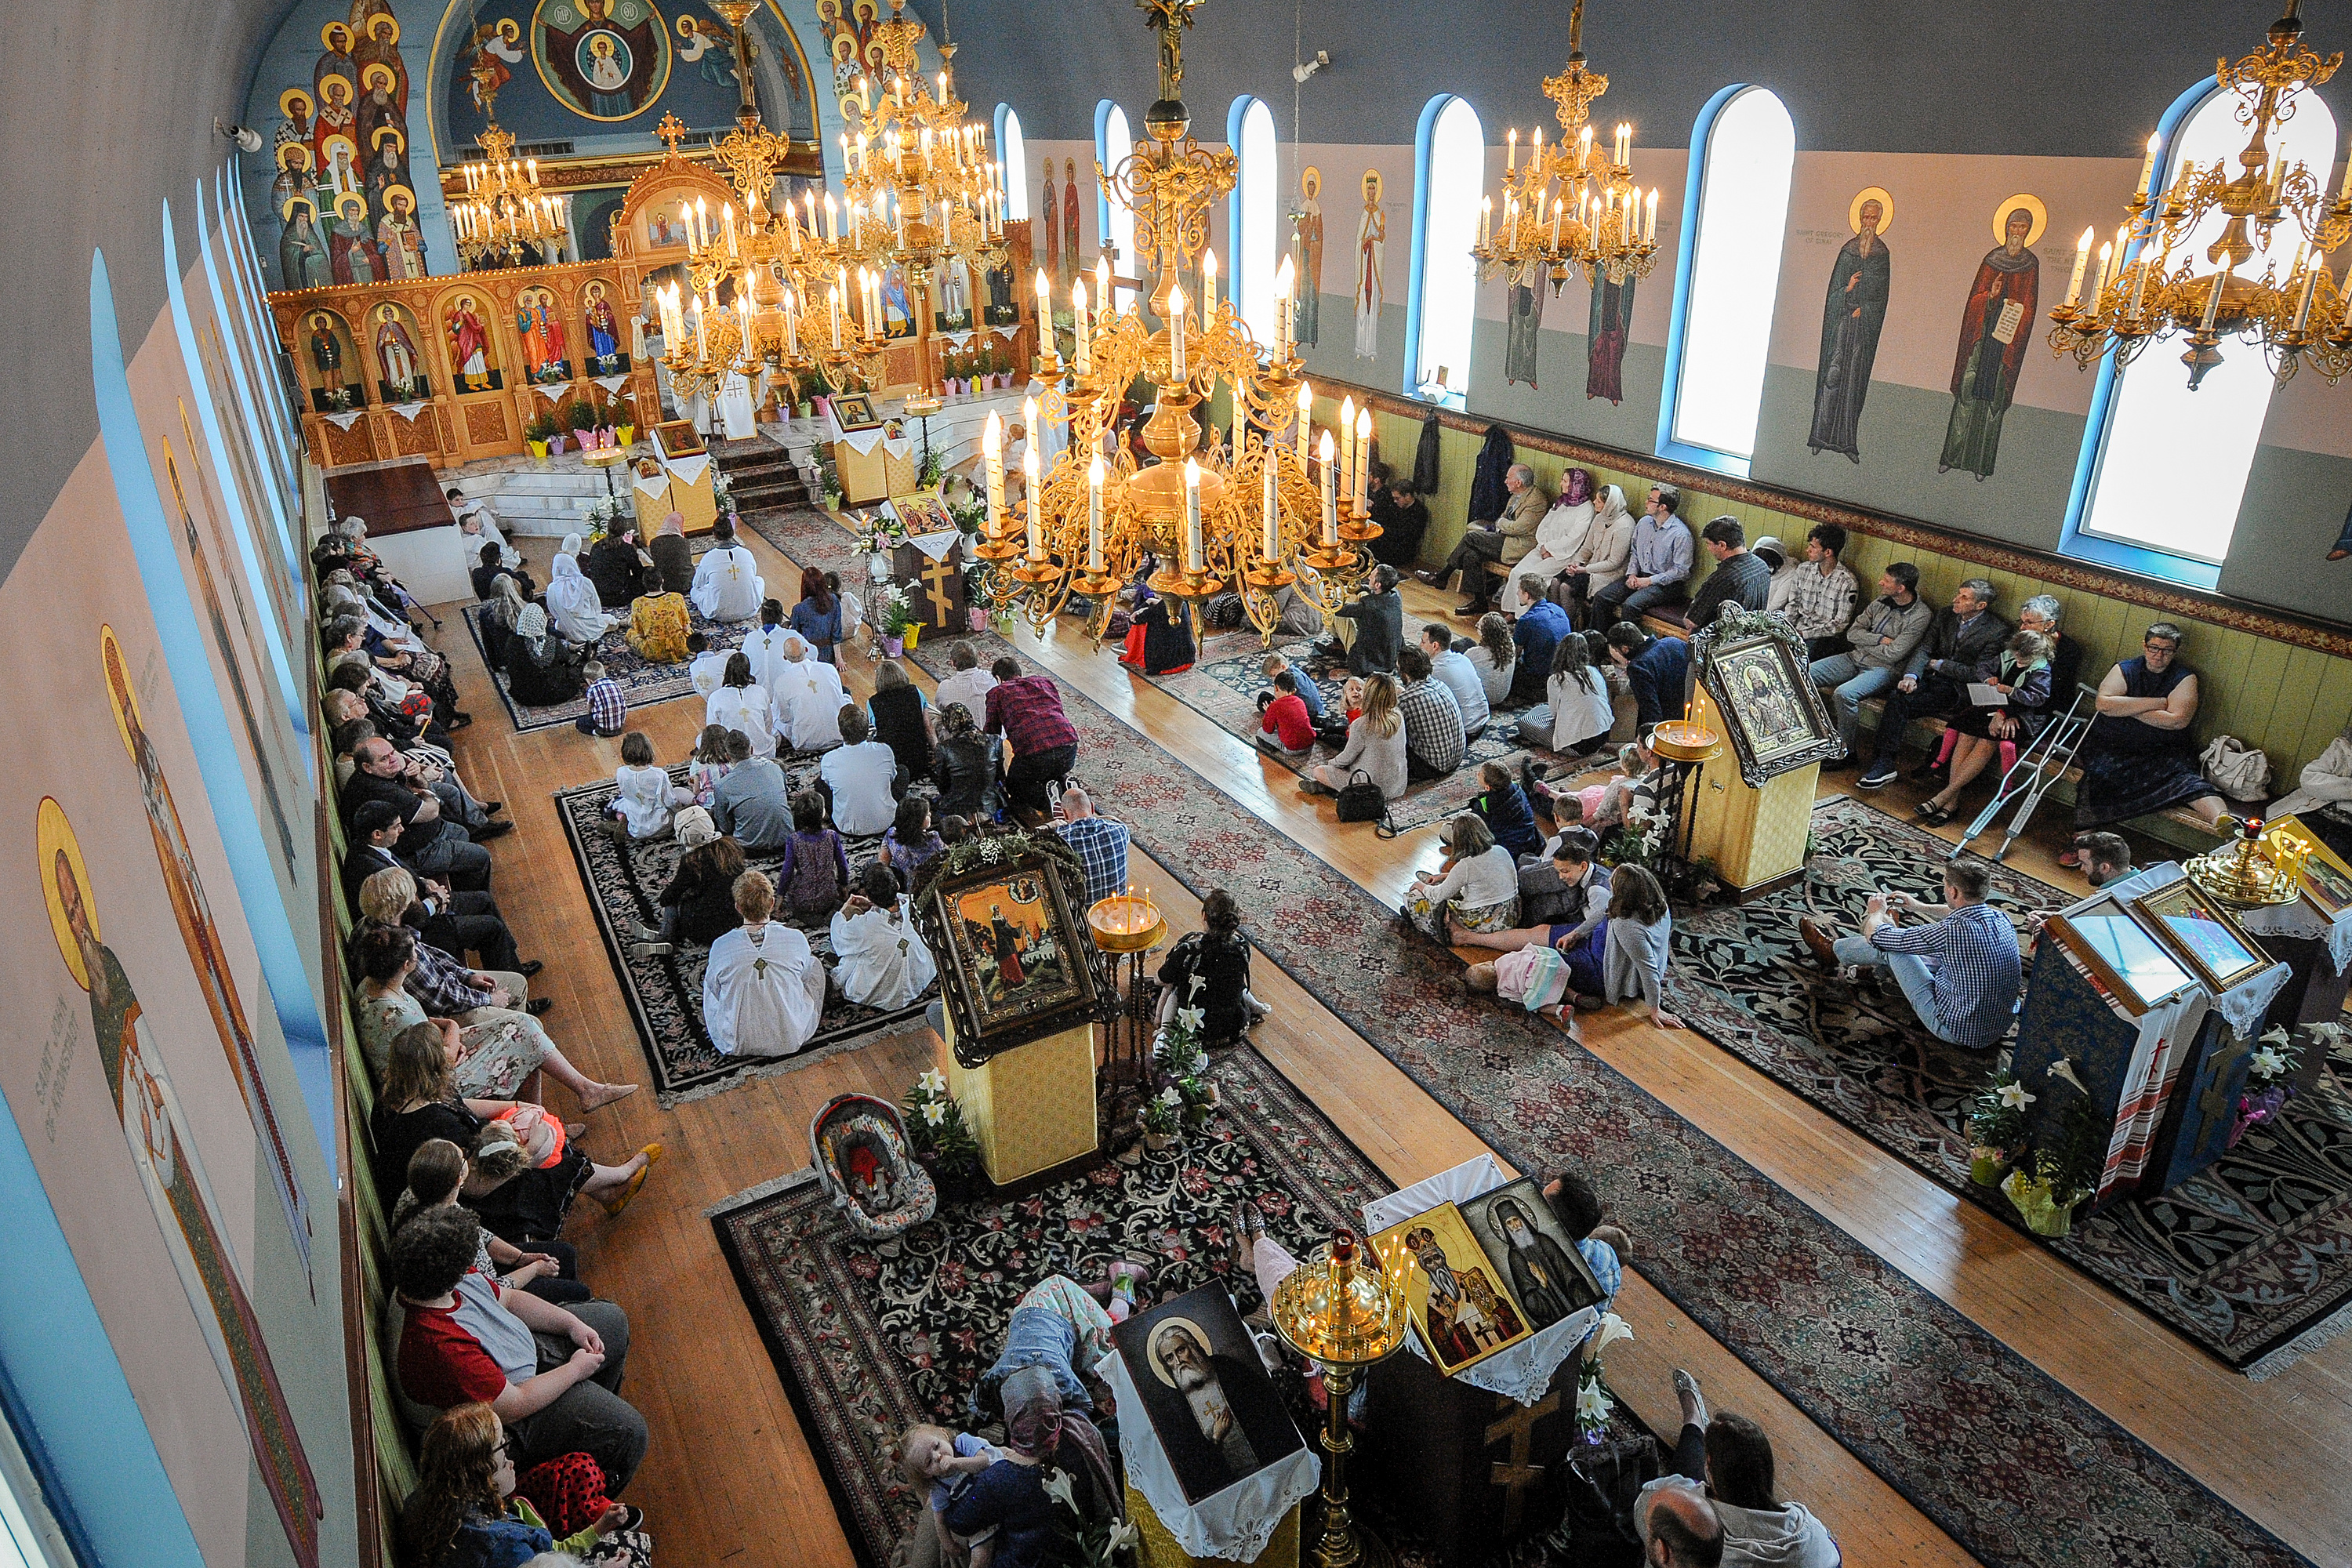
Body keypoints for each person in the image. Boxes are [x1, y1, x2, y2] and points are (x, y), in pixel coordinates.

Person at [384, 1207, 648, 1489]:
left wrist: (571, 1324)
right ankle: (590, 1494)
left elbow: (507, 1298)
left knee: (613, 1322)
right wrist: (575, 1371)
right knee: (631, 1432)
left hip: (511, 1361)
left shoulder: (433, 1280)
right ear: (452, 1274)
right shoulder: (439, 1347)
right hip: (507, 1419)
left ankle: (590, 1422)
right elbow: (516, 1403)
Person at [369, 1024, 657, 1245]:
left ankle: (608, 1191)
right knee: (547, 1157)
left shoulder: (397, 1091)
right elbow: (474, 1186)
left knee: (533, 1130)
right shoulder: (435, 1125)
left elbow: (460, 1105)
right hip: (462, 1198)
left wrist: (518, 1106)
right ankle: (618, 1178)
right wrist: (528, 1153)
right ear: (434, 1065)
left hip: (461, 1170)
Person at [1799, 858, 2021, 1049]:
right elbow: (1958, 913)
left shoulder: (1952, 932)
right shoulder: (2000, 919)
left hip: (1955, 1030)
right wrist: (1919, 907)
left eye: (1945, 885)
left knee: (1895, 949)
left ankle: (1830, 952)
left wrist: (1877, 913)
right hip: (1996, 1026)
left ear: (1954, 891)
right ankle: (1878, 972)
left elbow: (1877, 937)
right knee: (1936, 951)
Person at [396, 1403, 646, 1568]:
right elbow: (546, 1554)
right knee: (636, 1553)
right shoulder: (507, 1548)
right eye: (502, 1452)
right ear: (480, 1476)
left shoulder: (425, 1501)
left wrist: (601, 1526)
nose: (511, 1462)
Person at [1638, 1381, 1839, 1568]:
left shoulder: (1695, 1523)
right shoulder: (1808, 1528)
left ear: (1709, 1464)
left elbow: (1646, 1505)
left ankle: (1694, 1423)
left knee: (1683, 1479)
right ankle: (1693, 1423)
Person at [2069, 622, 2228, 838]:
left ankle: (2223, 821)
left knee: (2187, 781)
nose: (2159, 655)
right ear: (2144, 646)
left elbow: (2177, 721)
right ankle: (2083, 840)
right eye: (2154, 648)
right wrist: (2157, 703)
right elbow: (2104, 704)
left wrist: (2126, 706)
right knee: (2097, 776)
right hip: (2113, 746)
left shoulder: (2185, 677)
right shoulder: (2125, 669)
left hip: (2162, 751)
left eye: (2167, 650)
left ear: (2175, 651)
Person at [390, 1140, 587, 1307]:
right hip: (484, 1297)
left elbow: (482, 1235)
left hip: (482, 1276)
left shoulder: (418, 1193)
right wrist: (535, 1269)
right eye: (464, 1156)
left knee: (565, 1253)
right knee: (578, 1292)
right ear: (459, 1179)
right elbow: (492, 1292)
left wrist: (520, 1258)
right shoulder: (454, 1235)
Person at [1853, 578, 2009, 790]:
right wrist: (1911, 677)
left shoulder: (1996, 631)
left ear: (1981, 605)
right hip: (1929, 677)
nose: (1956, 599)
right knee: (1899, 696)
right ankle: (1884, 762)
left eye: (1964, 597)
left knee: (1901, 703)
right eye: (1958, 593)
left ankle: (1884, 762)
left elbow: (1977, 673)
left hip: (1956, 688)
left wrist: (1940, 665)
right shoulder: (1946, 615)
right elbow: (1925, 649)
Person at [1911, 628, 2053, 826]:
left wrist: (2011, 692)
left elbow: (2037, 699)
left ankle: (1944, 796)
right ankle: (1950, 802)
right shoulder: (2007, 656)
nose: (2018, 661)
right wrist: (1988, 679)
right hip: (1994, 705)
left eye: (2023, 659)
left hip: (2021, 715)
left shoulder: (2041, 670)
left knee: (1987, 740)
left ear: (2036, 655)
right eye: (2016, 656)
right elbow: (1982, 668)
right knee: (1966, 734)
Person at [1810, 563, 1930, 764]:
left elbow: (1894, 654)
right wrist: (1880, 639)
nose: (1880, 582)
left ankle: (1845, 751)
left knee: (1844, 694)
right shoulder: (1880, 602)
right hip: (1854, 657)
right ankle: (1809, 737)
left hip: (1883, 669)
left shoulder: (1920, 615)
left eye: (1887, 581)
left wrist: (1865, 640)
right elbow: (1852, 634)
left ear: (1901, 588)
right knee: (1804, 675)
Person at [345, 738, 499, 889]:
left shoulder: (376, 774)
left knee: (461, 831)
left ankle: (476, 827)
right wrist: (428, 793)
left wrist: (416, 773)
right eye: (384, 758)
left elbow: (408, 770)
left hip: (422, 836)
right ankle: (471, 897)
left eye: (392, 752)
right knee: (481, 856)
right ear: (367, 767)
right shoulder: (381, 790)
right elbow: (430, 812)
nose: (393, 759)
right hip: (415, 854)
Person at [704, 870, 828, 1056]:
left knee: (710, 979)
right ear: (771, 904)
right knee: (813, 964)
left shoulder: (721, 946)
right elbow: (803, 978)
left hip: (737, 1041)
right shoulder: (795, 938)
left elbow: (716, 989)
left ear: (738, 908)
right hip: (791, 1035)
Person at [1420, 463, 1547, 614]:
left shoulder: (1536, 500)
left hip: (1518, 545)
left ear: (1519, 482)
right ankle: (1480, 602)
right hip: (1505, 538)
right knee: (1471, 555)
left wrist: (1501, 523)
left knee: (1471, 537)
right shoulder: (1516, 496)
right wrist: (1502, 523)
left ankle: (1442, 576)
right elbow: (1504, 518)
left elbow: (1516, 528)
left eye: (1508, 478)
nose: (1505, 481)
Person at [1155, 888, 1269, 1045]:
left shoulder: (1189, 951)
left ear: (1204, 916)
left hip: (1193, 1028)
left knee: (1162, 991)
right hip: (1234, 1027)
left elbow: (1161, 980)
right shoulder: (1242, 947)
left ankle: (1165, 1029)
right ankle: (1255, 1006)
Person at [625, 813, 746, 958]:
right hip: (734, 923)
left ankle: (665, 936)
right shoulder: (732, 849)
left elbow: (669, 896)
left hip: (701, 930)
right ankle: (665, 931)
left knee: (674, 898)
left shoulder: (692, 862)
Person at [831, 862, 939, 1010]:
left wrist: (844, 910)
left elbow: (838, 938)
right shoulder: (916, 905)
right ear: (897, 885)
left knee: (852, 954)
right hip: (919, 979)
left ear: (868, 895)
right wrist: (872, 906)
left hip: (880, 994)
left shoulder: (865, 925)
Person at [900, 1421, 1005, 1568]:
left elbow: (984, 1462)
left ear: (944, 1433)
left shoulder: (962, 1442)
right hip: (982, 1514)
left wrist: (956, 1463)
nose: (937, 1456)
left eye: (937, 1446)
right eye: (929, 1462)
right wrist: (948, 1544)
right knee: (979, 1560)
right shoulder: (938, 1487)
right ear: (926, 1474)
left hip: (999, 1481)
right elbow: (939, 1519)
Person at [985, 657, 1081, 817]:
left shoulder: (997, 693)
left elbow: (992, 733)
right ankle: (1066, 788)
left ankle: (1049, 802)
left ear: (998, 678)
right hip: (1068, 747)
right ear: (1019, 672)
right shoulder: (1043, 681)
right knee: (1049, 770)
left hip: (1034, 754)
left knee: (1015, 785)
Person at [1495, 469, 1596, 616]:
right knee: (1517, 572)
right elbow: (1544, 525)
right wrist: (1544, 545)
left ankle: (1526, 617)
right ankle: (1513, 612)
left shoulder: (1586, 509)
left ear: (1576, 485)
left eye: (1565, 481)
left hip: (1562, 556)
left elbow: (1574, 537)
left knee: (1530, 577)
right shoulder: (1562, 502)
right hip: (1543, 549)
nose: (1561, 483)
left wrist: (1550, 549)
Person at [1403, 814, 1519, 940]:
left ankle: (1448, 927)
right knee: (1454, 889)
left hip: (1485, 919)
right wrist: (1443, 876)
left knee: (1414, 897)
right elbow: (1483, 875)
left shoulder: (1466, 865)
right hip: (1512, 914)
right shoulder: (1501, 850)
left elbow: (1437, 896)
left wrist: (1419, 885)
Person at [1589, 485, 1693, 626]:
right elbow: (1635, 552)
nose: (1646, 502)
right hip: (1639, 575)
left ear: (1662, 507)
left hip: (1665, 584)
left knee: (1631, 606)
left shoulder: (1681, 535)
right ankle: (1601, 638)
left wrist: (1649, 581)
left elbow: (1681, 571)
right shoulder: (1644, 523)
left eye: (1650, 500)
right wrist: (1632, 574)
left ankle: (1627, 640)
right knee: (1602, 597)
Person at [1302, 672, 1406, 801]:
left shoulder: (1361, 724)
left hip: (1372, 788)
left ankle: (1332, 787)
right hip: (1398, 785)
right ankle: (1331, 787)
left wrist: (1331, 764)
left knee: (1318, 771)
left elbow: (1346, 758)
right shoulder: (1398, 715)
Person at [1519, 631, 1613, 756]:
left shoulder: (1557, 679)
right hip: (1604, 734)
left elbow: (1554, 714)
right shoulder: (1593, 671)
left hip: (1579, 746)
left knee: (1525, 722)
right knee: (1541, 709)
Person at [1777, 524, 1860, 660]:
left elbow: (1840, 624)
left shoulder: (1847, 582)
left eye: (1813, 547)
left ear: (1828, 552)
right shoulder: (1803, 569)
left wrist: (1804, 634)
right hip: (1797, 628)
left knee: (1795, 660)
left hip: (1823, 637)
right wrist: (1785, 628)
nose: (1808, 550)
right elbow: (1793, 604)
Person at [819, 708, 907, 834]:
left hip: (846, 826)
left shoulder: (829, 759)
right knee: (902, 771)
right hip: (886, 821)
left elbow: (828, 784)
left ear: (841, 731)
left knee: (819, 783)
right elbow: (892, 778)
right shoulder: (884, 751)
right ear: (867, 729)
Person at [710, 731, 794, 851]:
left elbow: (725, 826)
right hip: (786, 841)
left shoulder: (722, 786)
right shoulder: (775, 768)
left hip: (750, 847)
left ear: (727, 756)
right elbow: (785, 795)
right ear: (752, 749)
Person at [776, 791, 852, 921]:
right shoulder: (832, 836)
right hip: (828, 897)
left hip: (802, 901)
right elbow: (842, 866)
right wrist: (844, 888)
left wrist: (780, 897)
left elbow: (787, 872)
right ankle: (829, 914)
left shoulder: (793, 840)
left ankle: (807, 916)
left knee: (794, 894)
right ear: (822, 814)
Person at [1396, 645, 1468, 780]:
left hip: (1432, 766)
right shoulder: (1441, 685)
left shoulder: (1405, 700)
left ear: (1404, 673)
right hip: (1457, 758)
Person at [1050, 786, 1130, 906]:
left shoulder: (1059, 841)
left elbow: (1031, 841)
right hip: (1119, 909)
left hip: (1083, 915)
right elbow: (1113, 819)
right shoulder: (1120, 829)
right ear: (1092, 808)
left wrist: (1054, 825)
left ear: (1065, 814)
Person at [1684, 518, 1772, 628]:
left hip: (1721, 637)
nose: (1708, 548)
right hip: (1752, 635)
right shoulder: (1762, 566)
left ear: (1722, 545)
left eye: (1708, 544)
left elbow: (1692, 621)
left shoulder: (1723, 578)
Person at [1605, 623, 1692, 733]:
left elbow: (1651, 711)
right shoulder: (1674, 642)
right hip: (1692, 710)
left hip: (1669, 725)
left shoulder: (1638, 668)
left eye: (1617, 651)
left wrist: (1650, 737)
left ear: (1625, 649)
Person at [769, 633, 848, 752]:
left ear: (785, 658)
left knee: (774, 716)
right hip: (840, 734)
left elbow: (784, 718)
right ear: (806, 650)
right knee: (846, 696)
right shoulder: (829, 668)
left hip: (807, 743)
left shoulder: (782, 682)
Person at [607, 731, 682, 842]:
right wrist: (680, 811)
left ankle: (624, 822)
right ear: (648, 750)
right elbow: (670, 801)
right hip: (659, 826)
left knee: (621, 802)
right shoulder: (659, 775)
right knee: (675, 806)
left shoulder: (621, 772)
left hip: (635, 823)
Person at [868, 660, 936, 782]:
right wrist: (938, 753)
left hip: (892, 766)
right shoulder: (915, 691)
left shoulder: (872, 702)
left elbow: (876, 733)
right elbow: (928, 728)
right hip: (919, 762)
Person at [1420, 623, 1490, 738]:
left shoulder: (1436, 671)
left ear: (1435, 645)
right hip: (1483, 720)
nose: (1420, 646)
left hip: (1466, 730)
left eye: (1423, 642)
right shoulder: (1463, 659)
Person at [1334, 564, 1405, 677]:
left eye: (1371, 576)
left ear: (1378, 584)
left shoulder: (1368, 606)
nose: (1368, 577)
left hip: (1368, 663)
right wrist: (1358, 588)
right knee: (1363, 594)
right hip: (1391, 657)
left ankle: (1337, 643)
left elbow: (1337, 610)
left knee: (1339, 618)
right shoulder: (1395, 594)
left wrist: (1331, 596)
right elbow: (1372, 592)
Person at [688, 517, 764, 623]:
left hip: (718, 614)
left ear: (714, 535)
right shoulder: (747, 554)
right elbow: (752, 576)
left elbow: (697, 584)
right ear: (732, 532)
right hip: (749, 610)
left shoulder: (709, 557)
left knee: (695, 591)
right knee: (760, 581)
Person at [705, 652, 778, 758]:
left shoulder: (715, 697)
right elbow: (768, 723)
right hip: (763, 752)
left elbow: (713, 730)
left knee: (701, 739)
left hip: (732, 756)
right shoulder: (760, 691)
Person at [1468, 760, 1546, 859]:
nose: (1477, 774)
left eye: (1480, 774)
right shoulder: (1517, 788)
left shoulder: (1484, 806)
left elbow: (1476, 828)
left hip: (1507, 854)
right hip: (1532, 844)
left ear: (1488, 787)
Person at [1509, 585, 1573, 705]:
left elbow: (1514, 655)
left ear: (1527, 595)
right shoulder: (1559, 610)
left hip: (1538, 677)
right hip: (1561, 673)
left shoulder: (1526, 620)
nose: (1517, 593)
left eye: (1519, 590)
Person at [543, 545, 613, 645]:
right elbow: (597, 608)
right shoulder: (585, 582)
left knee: (558, 624)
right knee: (610, 620)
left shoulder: (551, 589)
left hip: (567, 631)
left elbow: (554, 612)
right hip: (590, 628)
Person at [622, 569, 690, 664]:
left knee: (630, 633)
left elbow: (640, 634)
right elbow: (686, 627)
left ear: (644, 584)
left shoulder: (638, 603)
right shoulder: (676, 597)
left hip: (654, 652)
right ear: (662, 581)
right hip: (682, 647)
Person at [1120, 593, 1196, 675]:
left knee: (1141, 625)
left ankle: (1129, 646)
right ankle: (1127, 645)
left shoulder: (1155, 610)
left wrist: (1147, 603)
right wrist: (1152, 602)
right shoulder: (1183, 603)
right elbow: (1164, 606)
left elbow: (1134, 619)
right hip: (1187, 660)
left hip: (1164, 665)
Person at [1367, 474, 1431, 569]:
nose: (1395, 501)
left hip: (1403, 550)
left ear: (1408, 496)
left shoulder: (1419, 512)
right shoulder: (1396, 506)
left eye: (1398, 498)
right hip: (1390, 541)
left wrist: (1381, 528)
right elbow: (1384, 517)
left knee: (1372, 549)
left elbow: (1405, 535)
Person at [583, 525, 650, 611]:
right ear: (623, 532)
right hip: (620, 596)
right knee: (648, 574)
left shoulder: (596, 546)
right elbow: (638, 571)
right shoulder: (626, 548)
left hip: (599, 596)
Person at [881, 797, 946, 886]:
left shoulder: (891, 834)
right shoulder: (935, 839)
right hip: (936, 884)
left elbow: (883, 865)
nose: (930, 814)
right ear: (917, 821)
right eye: (927, 814)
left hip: (910, 885)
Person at [1257, 670, 1319, 758]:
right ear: (1294, 691)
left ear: (1276, 688)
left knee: (1260, 732)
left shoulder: (1274, 706)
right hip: (1310, 744)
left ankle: (1275, 749)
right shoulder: (1300, 701)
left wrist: (1268, 712)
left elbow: (1267, 729)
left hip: (1293, 749)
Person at [789, 566, 844, 664]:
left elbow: (795, 635)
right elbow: (837, 631)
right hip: (828, 655)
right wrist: (839, 659)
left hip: (808, 655)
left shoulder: (799, 609)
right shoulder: (833, 600)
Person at [935, 641, 999, 722]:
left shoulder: (945, 687)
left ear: (953, 663)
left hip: (964, 730)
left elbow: (940, 709)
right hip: (997, 730)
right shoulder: (991, 678)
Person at [1261, 651, 1327, 729]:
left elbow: (1287, 704)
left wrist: (1271, 710)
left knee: (1263, 699)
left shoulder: (1289, 682)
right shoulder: (1294, 670)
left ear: (1283, 667)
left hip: (1309, 718)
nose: (1273, 680)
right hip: (1318, 712)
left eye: (1274, 675)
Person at [1465, 612, 1517, 710]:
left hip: (1482, 698)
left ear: (1485, 634)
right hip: (1503, 695)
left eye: (1478, 627)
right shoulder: (1511, 644)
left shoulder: (1474, 653)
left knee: (1463, 644)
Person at [647, 511, 694, 606]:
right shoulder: (684, 542)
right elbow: (686, 564)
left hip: (664, 585)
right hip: (685, 584)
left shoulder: (654, 542)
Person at [572, 662, 625, 740]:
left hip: (602, 727)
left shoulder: (592, 688)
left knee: (580, 722)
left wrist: (590, 714)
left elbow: (589, 707)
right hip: (619, 727)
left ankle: (596, 732)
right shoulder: (615, 684)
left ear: (589, 681)